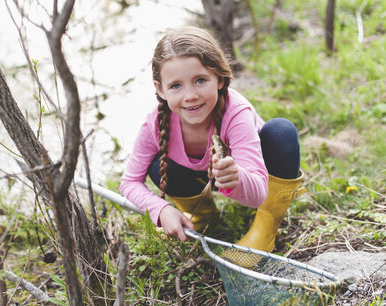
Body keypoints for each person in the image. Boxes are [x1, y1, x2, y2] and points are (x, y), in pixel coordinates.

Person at [120, 26, 304, 252]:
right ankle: (201, 216)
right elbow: (129, 182)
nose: (190, 96)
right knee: (158, 167)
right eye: (176, 85)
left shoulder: (236, 114)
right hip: (200, 177)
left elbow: (257, 193)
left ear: (219, 77)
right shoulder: (155, 123)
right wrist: (161, 209)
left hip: (247, 174)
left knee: (281, 132)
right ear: (160, 89)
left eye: (200, 80)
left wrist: (236, 176)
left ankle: (265, 225)